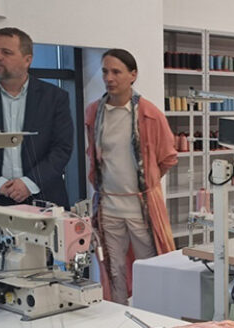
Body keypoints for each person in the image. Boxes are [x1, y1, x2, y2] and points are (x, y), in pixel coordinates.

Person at [0, 27, 73, 284]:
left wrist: (28, 183)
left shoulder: (55, 97)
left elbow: (62, 148)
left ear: (27, 59)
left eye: (6, 52)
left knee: (40, 277)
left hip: (39, 199)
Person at [84, 48, 177, 304]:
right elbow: (94, 157)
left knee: (150, 267)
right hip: (108, 207)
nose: (109, 78)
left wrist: (147, 183)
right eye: (105, 71)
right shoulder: (94, 113)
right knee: (113, 269)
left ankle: (153, 314)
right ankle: (118, 317)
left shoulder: (150, 114)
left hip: (141, 208)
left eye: (116, 72)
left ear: (132, 75)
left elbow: (168, 158)